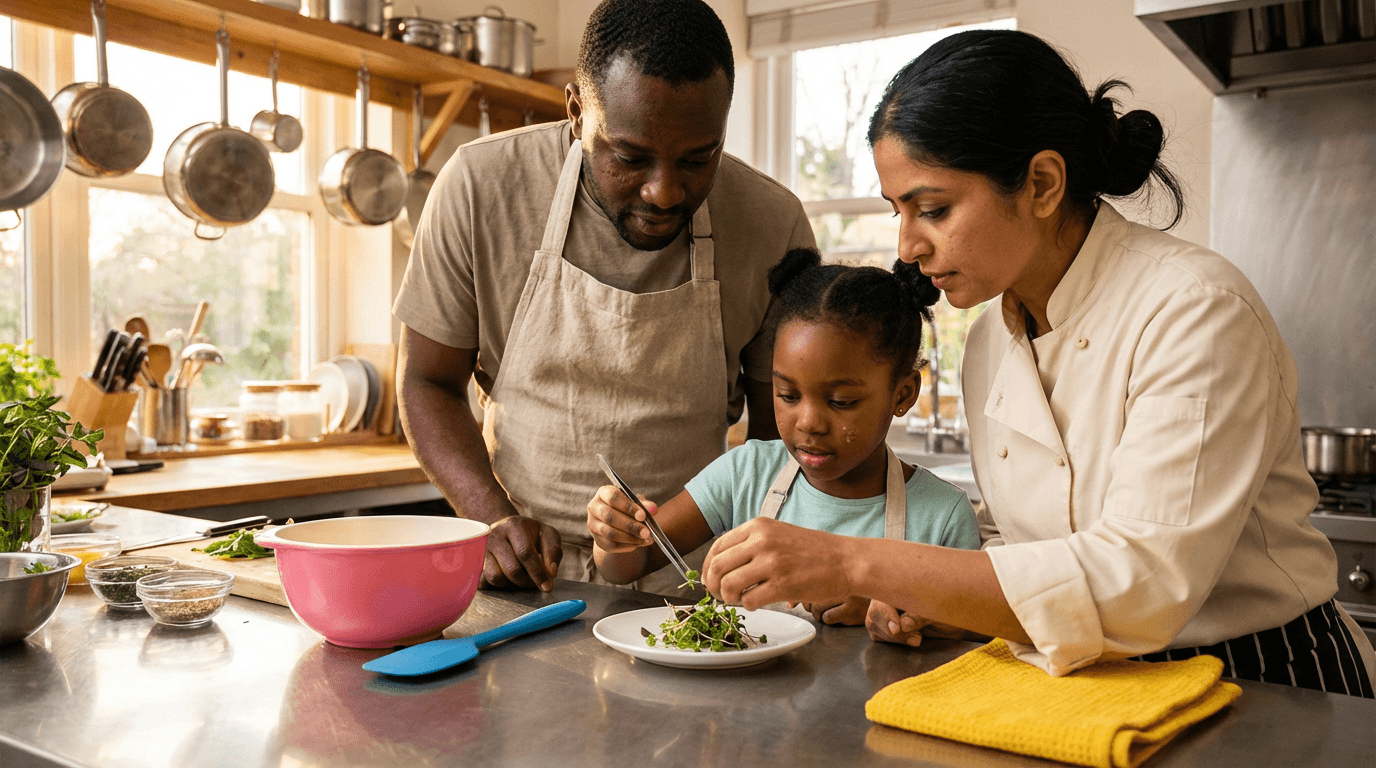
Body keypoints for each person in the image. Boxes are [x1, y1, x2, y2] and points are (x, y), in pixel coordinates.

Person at [701, 29, 1375, 696]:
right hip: (1088, 682)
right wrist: (936, 602)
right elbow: (1021, 541)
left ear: (1043, 184)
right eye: (898, 211)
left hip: (1260, 677)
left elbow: (1141, 583)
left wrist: (857, 562)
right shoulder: (991, 341)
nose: (907, 248)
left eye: (932, 209)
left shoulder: (1194, 310)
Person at [392, 0, 817, 596]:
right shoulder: (480, 187)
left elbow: (780, 437)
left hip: (694, 580)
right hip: (523, 575)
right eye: (630, 157)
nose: (664, 192)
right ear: (575, 112)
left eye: (698, 158)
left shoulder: (773, 224)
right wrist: (491, 518)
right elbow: (426, 382)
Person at [587, 248, 980, 624]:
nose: (808, 423)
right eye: (788, 395)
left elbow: (967, 637)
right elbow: (629, 567)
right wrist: (615, 536)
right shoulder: (746, 473)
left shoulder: (942, 517)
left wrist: (885, 607)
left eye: (841, 401)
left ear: (903, 394)